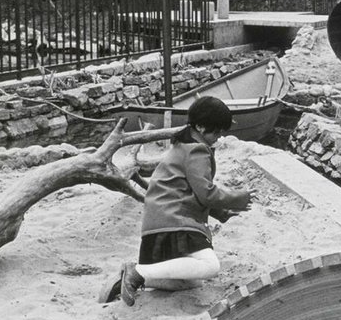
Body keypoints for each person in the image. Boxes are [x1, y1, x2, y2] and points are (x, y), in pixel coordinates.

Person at [99, 96, 252, 306]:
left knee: (192, 282)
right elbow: (206, 193)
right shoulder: (197, 150)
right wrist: (239, 198)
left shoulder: (183, 144)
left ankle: (127, 281)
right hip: (174, 219)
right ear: (200, 126)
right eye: (215, 132)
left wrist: (221, 212)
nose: (217, 138)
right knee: (210, 266)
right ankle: (137, 271)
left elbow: (191, 190)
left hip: (159, 219)